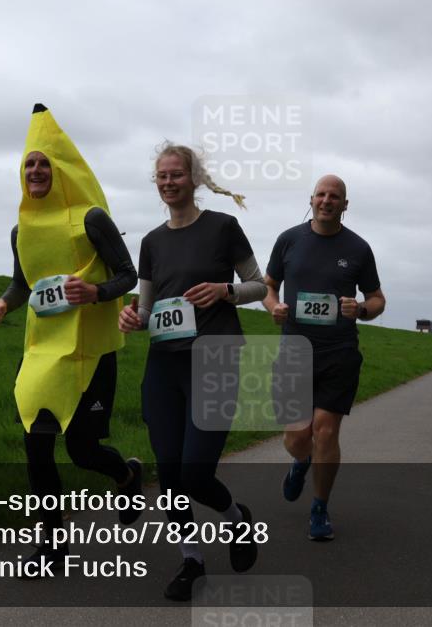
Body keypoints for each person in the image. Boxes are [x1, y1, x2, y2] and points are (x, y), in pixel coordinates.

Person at [0, 104, 143, 576]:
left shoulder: (90, 219)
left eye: (44, 163)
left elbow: (127, 275)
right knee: (37, 447)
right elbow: (23, 284)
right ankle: (51, 549)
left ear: (61, 170)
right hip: (41, 352)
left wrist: (94, 292)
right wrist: (4, 304)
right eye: (29, 163)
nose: (35, 170)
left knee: (81, 450)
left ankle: (126, 473)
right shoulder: (21, 229)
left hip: (90, 353)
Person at [117, 142, 266, 601]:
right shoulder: (150, 242)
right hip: (165, 364)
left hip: (216, 358)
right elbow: (144, 310)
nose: (168, 182)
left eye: (176, 174)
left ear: (194, 178)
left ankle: (238, 523)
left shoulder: (224, 228)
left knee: (196, 472)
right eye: (161, 176)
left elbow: (261, 285)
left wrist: (225, 291)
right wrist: (133, 318)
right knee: (170, 473)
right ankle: (191, 559)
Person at [263, 174, 385, 542]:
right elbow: (269, 286)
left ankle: (319, 507)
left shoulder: (359, 249)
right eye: (321, 194)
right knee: (297, 437)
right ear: (312, 199)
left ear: (345, 205)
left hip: (339, 352)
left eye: (335, 196)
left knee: (326, 430)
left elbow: (378, 298)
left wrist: (360, 309)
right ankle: (301, 462)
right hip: (295, 351)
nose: (327, 200)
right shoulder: (289, 240)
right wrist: (274, 306)